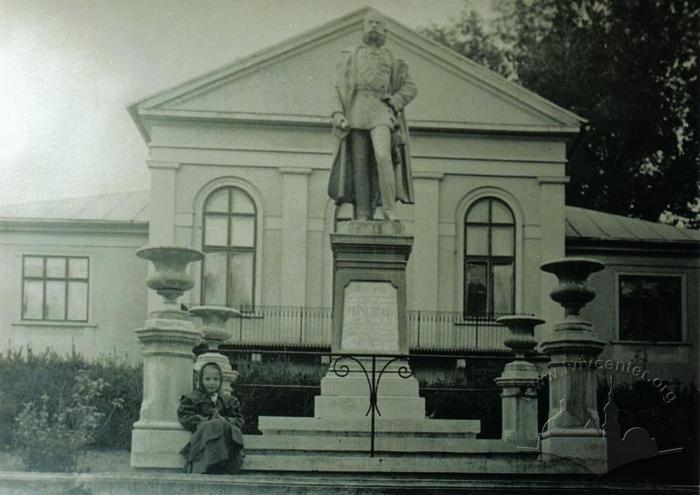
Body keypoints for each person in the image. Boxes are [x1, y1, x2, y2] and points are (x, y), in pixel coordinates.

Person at [328, 11, 417, 221]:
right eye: (370, 23)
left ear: (385, 31)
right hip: (356, 110)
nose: (374, 26)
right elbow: (337, 88)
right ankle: (362, 214)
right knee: (359, 163)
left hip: (380, 111)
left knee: (383, 157)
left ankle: (388, 209)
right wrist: (338, 113)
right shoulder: (349, 56)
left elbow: (410, 87)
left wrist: (395, 102)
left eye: (379, 24)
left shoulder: (394, 59)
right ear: (363, 28)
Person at [177, 362, 245, 474]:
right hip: (204, 435)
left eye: (216, 379)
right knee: (213, 425)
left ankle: (221, 465)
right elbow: (185, 417)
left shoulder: (228, 400)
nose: (212, 383)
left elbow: (238, 419)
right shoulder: (192, 398)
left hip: (225, 435)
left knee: (219, 424)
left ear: (220, 381)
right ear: (201, 380)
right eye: (207, 379)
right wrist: (205, 419)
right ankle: (210, 466)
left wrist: (224, 420)